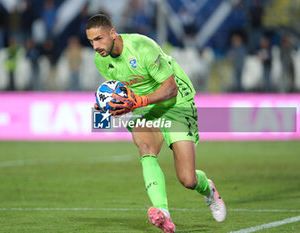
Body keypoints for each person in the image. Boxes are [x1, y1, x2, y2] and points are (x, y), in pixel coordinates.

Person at [86, 14, 226, 233]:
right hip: (145, 109)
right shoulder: (101, 61)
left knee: (187, 179)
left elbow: (171, 88)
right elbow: (120, 91)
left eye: (99, 39)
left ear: (113, 33)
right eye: (91, 41)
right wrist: (108, 107)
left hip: (176, 104)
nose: (95, 46)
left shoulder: (142, 47)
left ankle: (208, 189)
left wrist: (139, 100)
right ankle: (163, 213)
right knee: (146, 148)